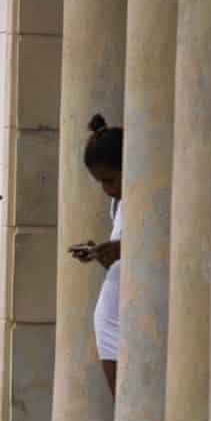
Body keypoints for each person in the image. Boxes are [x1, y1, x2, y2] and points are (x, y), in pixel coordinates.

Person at [68, 114, 122, 397]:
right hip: (114, 310)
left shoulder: (143, 198)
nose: (107, 189)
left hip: (124, 308)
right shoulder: (118, 202)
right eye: (101, 183)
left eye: (110, 180)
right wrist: (104, 253)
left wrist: (121, 249)